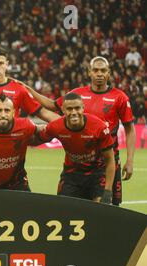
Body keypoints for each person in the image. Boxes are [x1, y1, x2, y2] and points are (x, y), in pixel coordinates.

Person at [21, 56, 135, 206]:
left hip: (106, 160)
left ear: (108, 73)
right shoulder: (77, 95)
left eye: (103, 70)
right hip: (78, 162)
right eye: (95, 70)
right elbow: (53, 105)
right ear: (89, 72)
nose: (99, 74)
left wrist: (130, 160)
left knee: (109, 206)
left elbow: (130, 129)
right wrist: (29, 90)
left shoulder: (120, 97)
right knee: (71, 209)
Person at [38, 93, 115, 204]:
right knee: (65, 211)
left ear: (83, 108)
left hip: (96, 175)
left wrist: (107, 192)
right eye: (69, 109)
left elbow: (110, 160)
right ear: (63, 110)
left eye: (77, 108)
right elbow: (37, 139)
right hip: (71, 176)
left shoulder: (99, 127)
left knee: (99, 211)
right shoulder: (55, 126)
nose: (74, 112)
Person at [0, 46, 60, 122]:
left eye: (0, 63)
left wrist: (67, 125)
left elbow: (42, 113)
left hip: (10, 144)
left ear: (7, 64)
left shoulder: (19, 89)